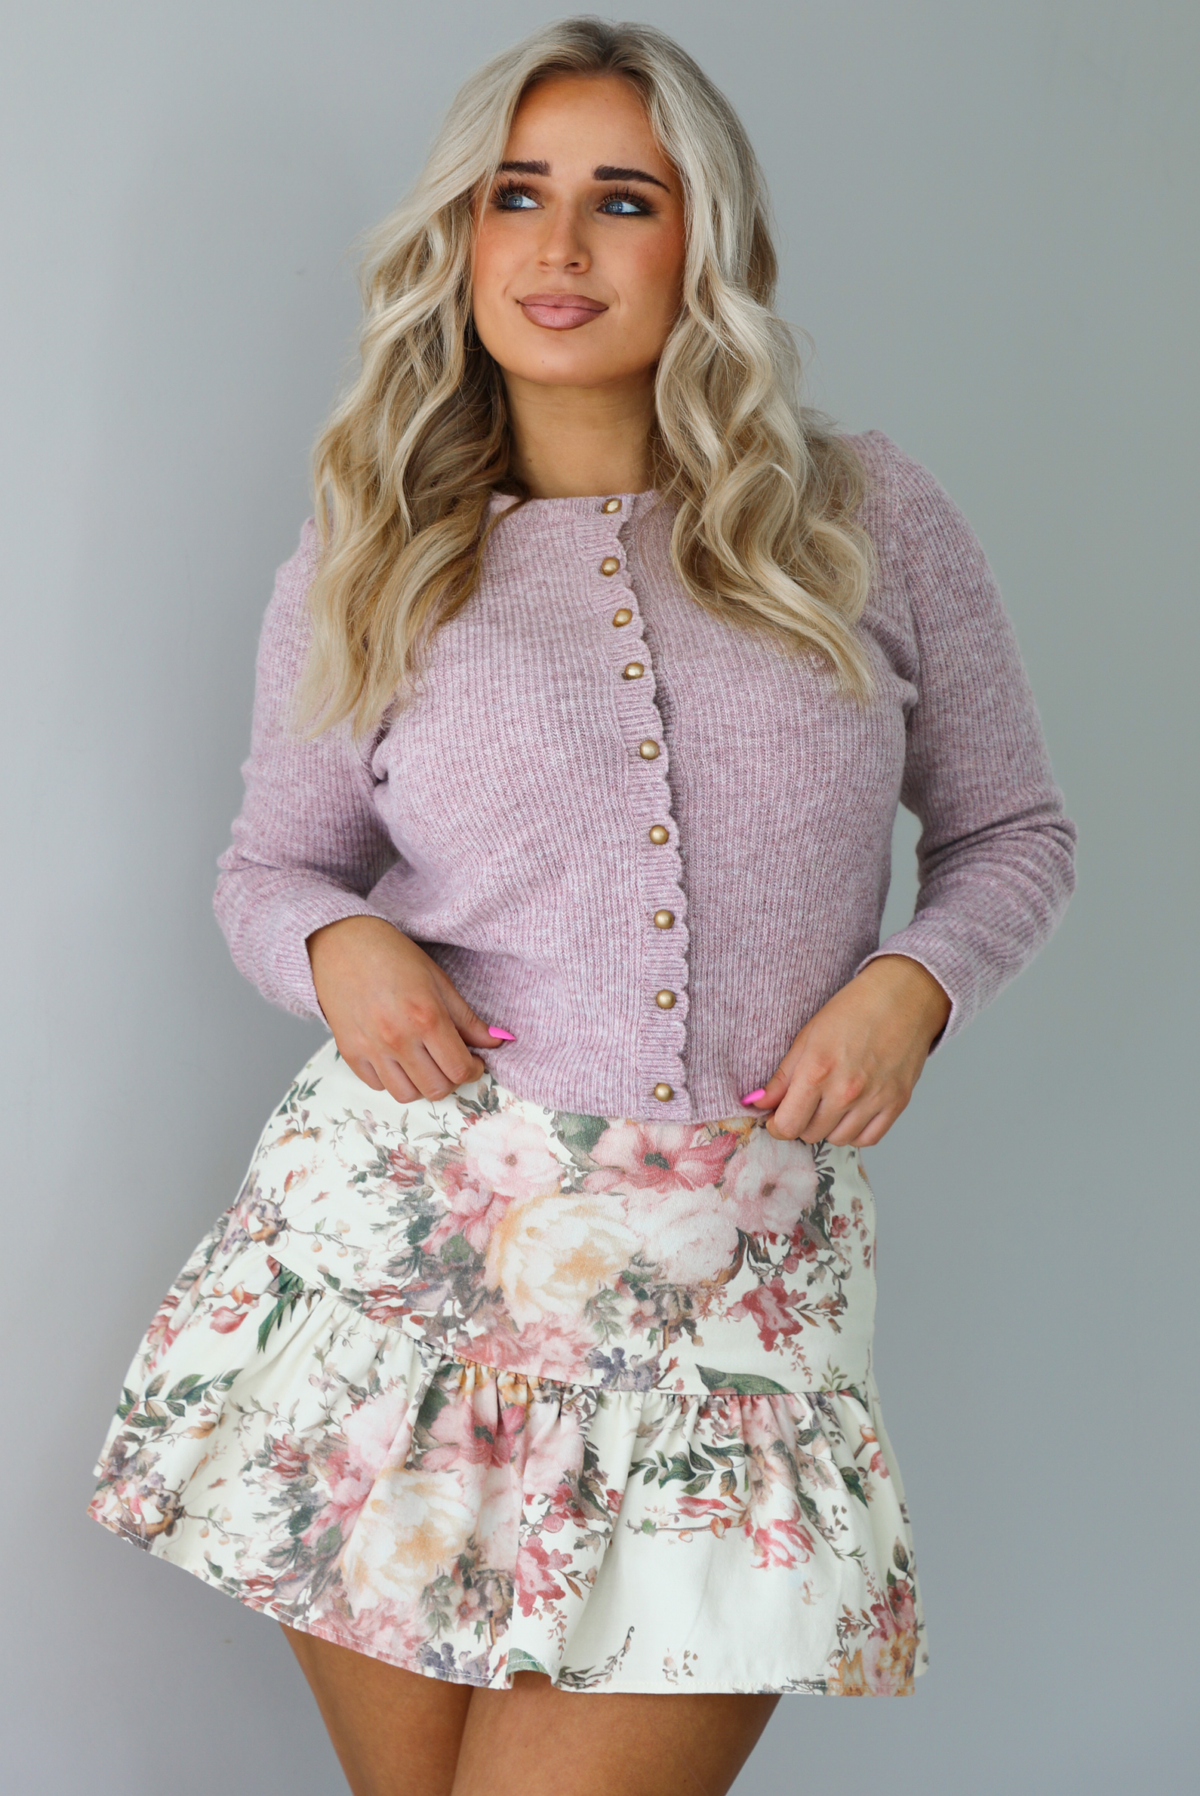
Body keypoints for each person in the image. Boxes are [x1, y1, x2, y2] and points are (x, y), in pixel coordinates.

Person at [87, 18, 1076, 1796]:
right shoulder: (376, 545)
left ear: (708, 245)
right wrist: (340, 943)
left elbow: (1014, 831)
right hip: (398, 1276)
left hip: (732, 1302)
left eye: (621, 200)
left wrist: (912, 984)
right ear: (458, 242)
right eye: (513, 197)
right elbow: (268, 866)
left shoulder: (868, 517)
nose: (557, 249)